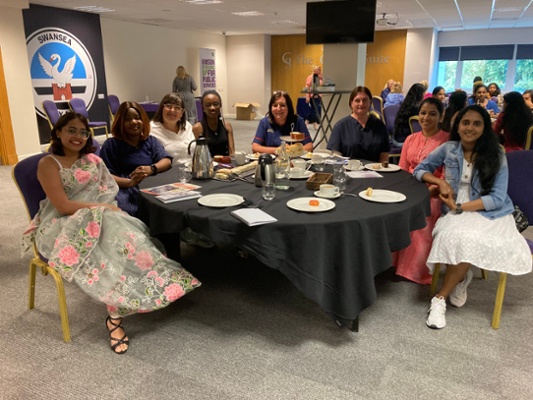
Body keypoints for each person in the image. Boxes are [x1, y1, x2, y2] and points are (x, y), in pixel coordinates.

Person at [22, 112, 201, 353]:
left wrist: (133, 181)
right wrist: (101, 208)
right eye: (71, 130)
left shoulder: (93, 161)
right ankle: (115, 318)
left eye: (83, 132)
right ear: (58, 132)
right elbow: (63, 206)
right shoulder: (48, 163)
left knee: (129, 238)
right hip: (61, 223)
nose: (78, 136)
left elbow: (110, 186)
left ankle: (150, 284)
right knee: (110, 248)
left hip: (99, 215)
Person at [413, 105, 532, 329]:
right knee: (452, 235)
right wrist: (440, 182)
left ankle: (439, 298)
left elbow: (497, 198)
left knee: (470, 238)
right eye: (465, 122)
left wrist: (460, 206)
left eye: (477, 123)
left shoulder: (496, 153)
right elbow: (419, 170)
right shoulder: (449, 148)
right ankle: (462, 275)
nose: (470, 128)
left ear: (485, 127)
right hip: (454, 210)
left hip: (490, 213)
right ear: (457, 126)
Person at [394, 98, 449, 284]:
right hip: (408, 189)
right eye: (423, 113)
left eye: (433, 114)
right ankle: (393, 264)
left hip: (434, 193)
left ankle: (416, 272)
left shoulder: (447, 141)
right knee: (390, 209)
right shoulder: (411, 138)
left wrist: (426, 193)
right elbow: (402, 169)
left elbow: (445, 179)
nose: (426, 118)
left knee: (425, 215)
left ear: (441, 116)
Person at [100, 101, 172, 217]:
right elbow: (104, 175)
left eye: (137, 118)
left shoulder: (150, 141)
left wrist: (151, 169)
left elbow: (166, 160)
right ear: (120, 122)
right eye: (128, 119)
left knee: (167, 208)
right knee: (130, 211)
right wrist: (129, 182)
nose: (134, 122)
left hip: (150, 186)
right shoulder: (111, 145)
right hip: (123, 189)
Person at [327, 86, 389, 161]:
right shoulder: (340, 126)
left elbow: (384, 155)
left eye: (365, 100)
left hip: (374, 171)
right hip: (349, 170)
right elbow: (336, 158)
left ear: (370, 102)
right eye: (357, 101)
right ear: (351, 103)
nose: (361, 103)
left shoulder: (379, 126)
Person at [150, 93, 195, 165]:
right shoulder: (151, 130)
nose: (172, 110)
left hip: (190, 171)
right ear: (162, 108)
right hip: (167, 174)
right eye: (168, 106)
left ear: (182, 112)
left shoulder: (187, 126)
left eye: (177, 107)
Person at [193, 90, 235, 156]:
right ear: (203, 108)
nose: (212, 108)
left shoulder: (227, 125)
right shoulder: (197, 128)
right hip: (206, 164)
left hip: (226, 164)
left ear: (220, 105)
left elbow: (232, 153)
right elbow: (197, 155)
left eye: (215, 104)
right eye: (208, 105)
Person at [392, 83, 426, 147]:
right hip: (404, 141)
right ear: (420, 95)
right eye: (424, 94)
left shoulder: (405, 105)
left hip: (396, 138)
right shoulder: (416, 110)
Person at [305, 65, 323, 129]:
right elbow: (307, 87)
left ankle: (307, 121)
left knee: (314, 110)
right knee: (315, 110)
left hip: (319, 96)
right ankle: (315, 123)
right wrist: (307, 96)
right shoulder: (310, 77)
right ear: (314, 70)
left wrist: (321, 77)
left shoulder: (321, 77)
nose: (318, 71)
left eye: (319, 69)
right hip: (312, 95)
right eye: (316, 69)